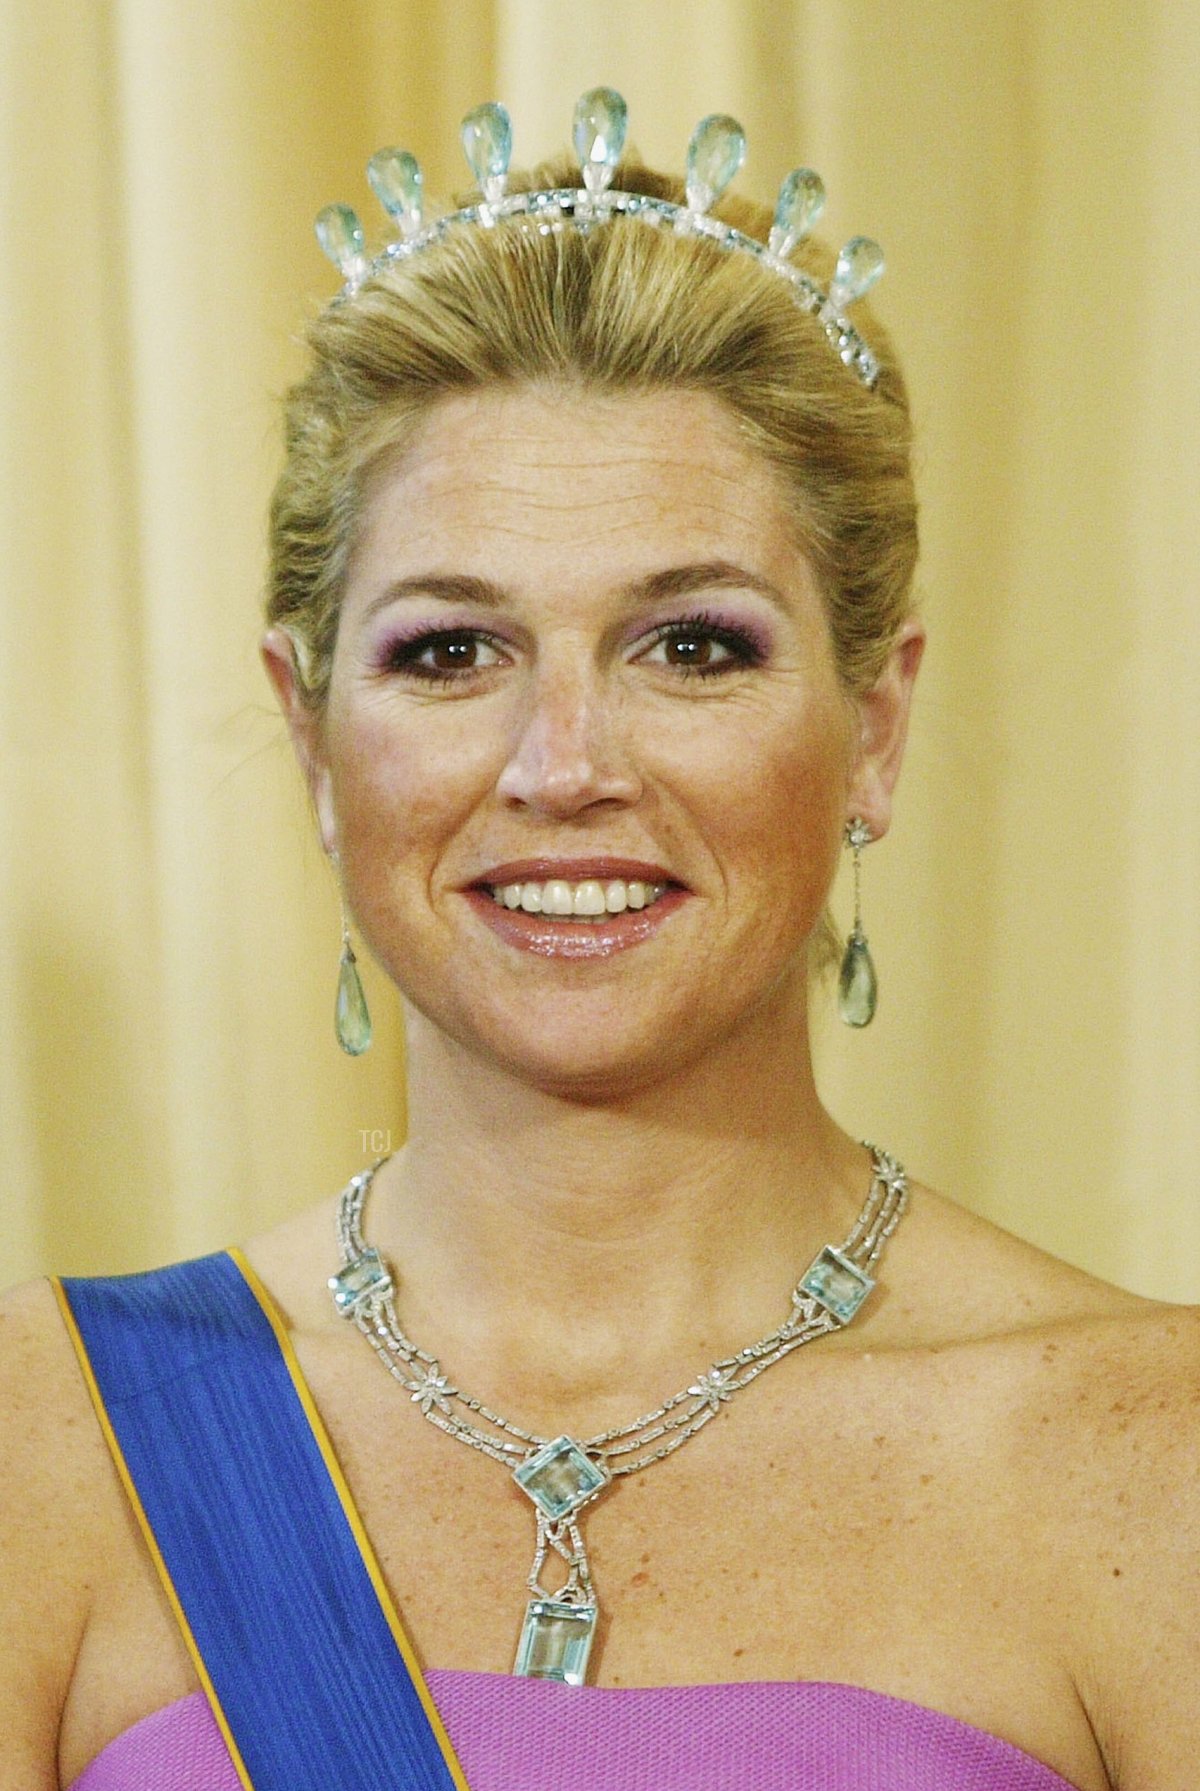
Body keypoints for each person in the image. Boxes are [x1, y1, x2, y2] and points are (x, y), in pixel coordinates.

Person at [1, 91, 1196, 1791]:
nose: (566, 766)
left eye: (692, 648)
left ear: (876, 725)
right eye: (448, 654)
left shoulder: (1153, 1460)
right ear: (310, 732)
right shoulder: (48, 1441)